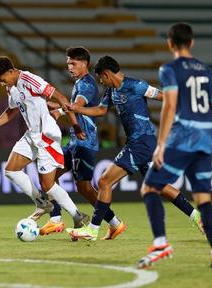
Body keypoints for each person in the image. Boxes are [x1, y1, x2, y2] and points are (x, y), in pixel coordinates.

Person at [65, 55, 203, 241]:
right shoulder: (111, 91)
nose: (101, 82)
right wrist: (77, 109)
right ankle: (197, 217)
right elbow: (101, 110)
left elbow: (164, 97)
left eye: (101, 78)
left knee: (105, 182)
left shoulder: (136, 86)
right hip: (138, 143)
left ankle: (92, 229)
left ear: (106, 74)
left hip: (142, 142)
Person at [137, 23, 212, 269]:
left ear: (170, 43)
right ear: (192, 42)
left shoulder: (170, 69)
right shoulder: (208, 71)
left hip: (182, 137)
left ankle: (161, 243)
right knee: (203, 198)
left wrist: (161, 144)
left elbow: (170, 106)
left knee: (150, 188)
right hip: (205, 140)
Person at [0, 56, 89, 228]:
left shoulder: (30, 79)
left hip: (46, 136)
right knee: (11, 171)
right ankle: (43, 204)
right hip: (32, 135)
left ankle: (77, 216)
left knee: (48, 185)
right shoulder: (11, 87)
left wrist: (75, 125)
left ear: (11, 71)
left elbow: (60, 96)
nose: (2, 83)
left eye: (3, 79)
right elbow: (11, 110)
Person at [41, 47, 126, 240]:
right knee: (49, 178)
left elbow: (76, 106)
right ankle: (56, 219)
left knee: (85, 188)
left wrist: (60, 112)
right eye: (68, 63)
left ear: (85, 64)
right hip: (74, 143)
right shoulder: (80, 83)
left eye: (74, 63)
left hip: (83, 142)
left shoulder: (87, 84)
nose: (70, 67)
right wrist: (51, 105)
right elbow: (73, 107)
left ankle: (114, 223)